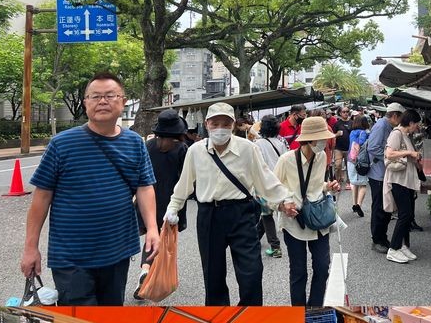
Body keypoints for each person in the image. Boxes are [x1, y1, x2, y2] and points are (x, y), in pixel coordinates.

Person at [20, 71, 159, 305]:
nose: (102, 101)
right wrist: (30, 248)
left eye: (110, 95)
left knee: (110, 317)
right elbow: (41, 198)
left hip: (118, 250)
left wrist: (153, 228)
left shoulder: (134, 142)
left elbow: (144, 187)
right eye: (95, 96)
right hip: (71, 256)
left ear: (123, 102)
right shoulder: (62, 144)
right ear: (85, 103)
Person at [164, 102, 297, 306]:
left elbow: (265, 179)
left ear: (233, 125)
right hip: (209, 215)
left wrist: (284, 199)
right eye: (215, 123)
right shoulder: (196, 151)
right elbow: (184, 184)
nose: (220, 128)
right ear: (206, 124)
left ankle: (250, 314)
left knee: (251, 272)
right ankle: (219, 317)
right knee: (213, 275)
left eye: (225, 123)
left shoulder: (248, 148)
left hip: (241, 213)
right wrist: (173, 208)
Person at [273, 116, 341, 306]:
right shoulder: (286, 160)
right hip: (294, 222)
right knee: (298, 271)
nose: (324, 142)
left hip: (318, 219)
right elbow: (271, 191)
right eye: (321, 139)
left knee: (322, 267)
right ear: (309, 140)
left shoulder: (321, 157)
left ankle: (314, 307)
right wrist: (282, 206)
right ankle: (298, 311)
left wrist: (330, 186)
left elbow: (317, 185)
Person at [134, 109, 189, 299]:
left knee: (152, 235)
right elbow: (186, 179)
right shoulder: (182, 149)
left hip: (147, 199)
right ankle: (153, 276)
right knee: (165, 239)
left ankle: (145, 269)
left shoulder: (147, 146)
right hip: (171, 201)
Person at [383, 109, 422, 264]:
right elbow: (389, 154)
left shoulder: (405, 135)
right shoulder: (397, 134)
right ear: (411, 123)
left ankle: (403, 245)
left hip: (406, 180)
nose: (417, 127)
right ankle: (393, 248)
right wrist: (409, 153)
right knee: (405, 214)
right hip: (398, 180)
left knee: (408, 215)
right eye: (416, 124)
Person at [367, 103, 406, 253]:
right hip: (378, 174)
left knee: (385, 207)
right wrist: (390, 157)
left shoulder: (387, 126)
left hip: (383, 173)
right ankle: (377, 240)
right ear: (395, 116)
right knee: (379, 207)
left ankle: (382, 238)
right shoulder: (382, 125)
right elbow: (373, 147)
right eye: (401, 118)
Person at [255, 115, 289, 259]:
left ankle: (275, 247)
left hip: (265, 184)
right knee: (268, 212)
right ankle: (255, 238)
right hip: (280, 182)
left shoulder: (257, 144)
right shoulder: (282, 142)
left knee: (267, 214)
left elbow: (257, 166)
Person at [348, 114, 370, 217]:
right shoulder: (364, 133)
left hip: (351, 159)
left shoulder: (352, 132)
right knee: (363, 184)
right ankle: (359, 204)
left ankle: (353, 204)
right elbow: (362, 143)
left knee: (354, 183)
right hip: (362, 161)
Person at [333, 106, 353, 189]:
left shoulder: (352, 123)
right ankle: (337, 182)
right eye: (343, 112)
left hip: (349, 148)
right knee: (338, 165)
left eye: (347, 111)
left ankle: (349, 181)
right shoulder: (337, 124)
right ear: (340, 113)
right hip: (338, 148)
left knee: (349, 166)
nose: (345, 113)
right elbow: (332, 135)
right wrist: (337, 134)